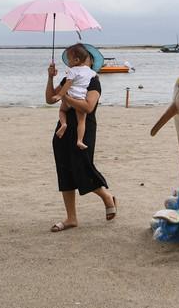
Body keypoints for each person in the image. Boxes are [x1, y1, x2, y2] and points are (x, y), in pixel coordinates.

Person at [45, 43, 116, 232]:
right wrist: (50, 78)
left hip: (84, 129)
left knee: (82, 167)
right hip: (63, 128)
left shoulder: (93, 81)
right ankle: (71, 218)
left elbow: (87, 107)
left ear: (87, 61)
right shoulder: (69, 78)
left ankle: (106, 197)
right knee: (64, 170)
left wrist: (66, 98)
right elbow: (49, 98)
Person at [52, 45, 96, 150]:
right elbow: (95, 75)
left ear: (76, 60)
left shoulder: (72, 71)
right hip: (80, 98)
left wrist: (60, 95)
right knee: (81, 121)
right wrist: (51, 77)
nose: (68, 62)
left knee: (62, 111)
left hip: (70, 96)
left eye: (69, 59)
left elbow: (68, 83)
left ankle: (63, 124)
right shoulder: (90, 72)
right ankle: (80, 140)